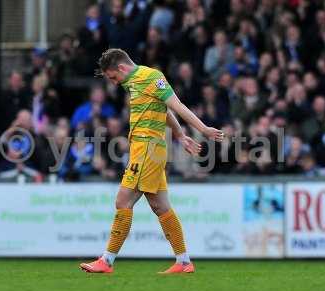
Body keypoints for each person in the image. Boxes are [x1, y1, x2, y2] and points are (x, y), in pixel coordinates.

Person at [80, 48, 224, 274]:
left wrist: (203, 129)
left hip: (148, 148)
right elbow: (163, 109)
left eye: (113, 77)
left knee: (123, 201)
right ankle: (184, 262)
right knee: (161, 206)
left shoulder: (152, 77)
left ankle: (106, 261)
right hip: (145, 149)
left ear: (122, 68)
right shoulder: (132, 83)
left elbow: (176, 105)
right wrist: (178, 134)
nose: (115, 83)